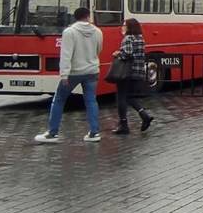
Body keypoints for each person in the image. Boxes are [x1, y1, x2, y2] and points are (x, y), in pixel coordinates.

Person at [36, 7, 103, 143]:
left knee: (59, 100)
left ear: (75, 17)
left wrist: (64, 74)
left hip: (74, 72)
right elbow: (99, 49)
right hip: (92, 71)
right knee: (91, 101)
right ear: (88, 16)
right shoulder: (97, 32)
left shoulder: (69, 32)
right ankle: (94, 133)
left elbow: (66, 54)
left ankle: (52, 133)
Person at [112, 18, 154, 135]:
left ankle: (123, 125)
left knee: (121, 97)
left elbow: (127, 54)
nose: (122, 27)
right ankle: (144, 115)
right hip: (138, 72)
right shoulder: (140, 38)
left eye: (124, 25)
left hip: (126, 72)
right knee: (129, 97)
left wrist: (117, 54)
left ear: (130, 27)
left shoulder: (128, 38)